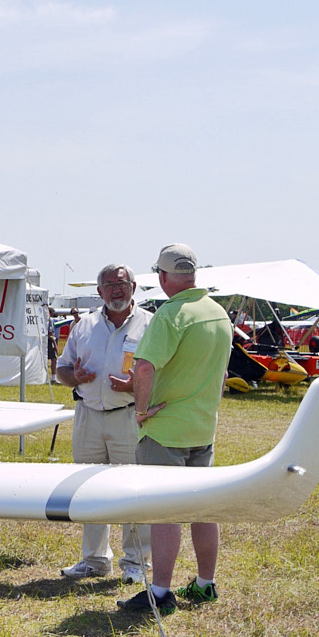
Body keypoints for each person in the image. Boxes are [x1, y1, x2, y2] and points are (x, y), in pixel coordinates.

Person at [118, 244, 233, 615]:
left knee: (164, 510)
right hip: (203, 426)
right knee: (203, 508)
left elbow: (145, 367)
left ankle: (162, 592)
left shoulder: (169, 315)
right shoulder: (219, 314)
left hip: (165, 429)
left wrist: (140, 410)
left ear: (164, 278)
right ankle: (205, 583)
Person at [54, 263, 152, 583]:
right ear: (99, 292)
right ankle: (95, 559)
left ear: (134, 288)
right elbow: (62, 370)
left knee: (132, 492)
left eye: (122, 283)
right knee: (88, 491)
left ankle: (136, 563)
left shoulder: (150, 325)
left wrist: (133, 388)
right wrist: (75, 377)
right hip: (88, 417)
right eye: (109, 285)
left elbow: (161, 375)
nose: (116, 289)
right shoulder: (84, 327)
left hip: (128, 417)